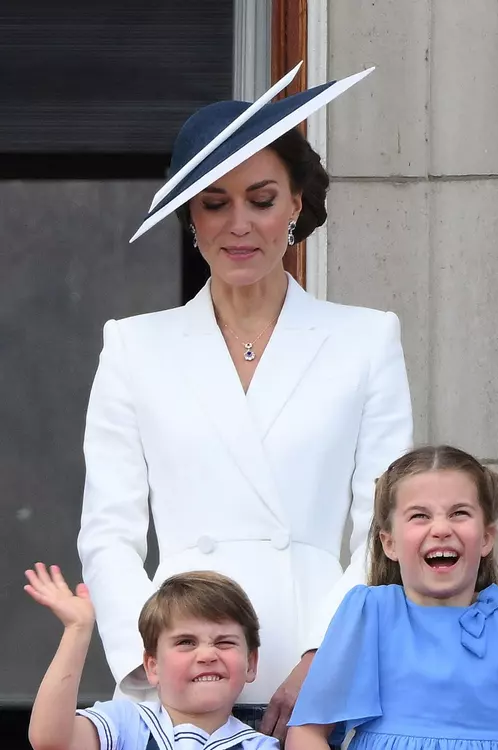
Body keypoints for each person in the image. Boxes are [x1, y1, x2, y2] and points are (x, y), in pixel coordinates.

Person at [76, 62, 414, 744]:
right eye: (214, 201)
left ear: (295, 205)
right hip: (173, 680)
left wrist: (326, 657)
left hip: (312, 673)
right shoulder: (134, 347)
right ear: (187, 213)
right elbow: (108, 534)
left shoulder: (366, 338)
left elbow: (386, 525)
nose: (239, 225)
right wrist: (151, 666)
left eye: (261, 200)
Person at [285, 445, 498, 750]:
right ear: (390, 543)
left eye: (459, 513)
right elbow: (308, 732)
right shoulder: (368, 614)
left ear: (487, 537)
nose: (441, 528)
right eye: (420, 516)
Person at [25, 564, 277, 750]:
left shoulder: (259, 746)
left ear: (250, 663)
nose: (207, 654)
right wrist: (77, 629)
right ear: (152, 666)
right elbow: (51, 741)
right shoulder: (125, 723)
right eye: (186, 642)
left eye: (224, 642)